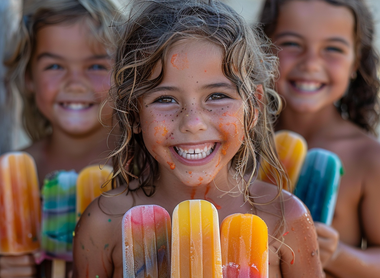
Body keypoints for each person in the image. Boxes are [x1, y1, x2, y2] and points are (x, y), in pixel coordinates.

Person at [73, 0, 324, 277]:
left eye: (217, 96)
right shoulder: (104, 223)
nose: (193, 123)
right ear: (133, 114)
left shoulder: (284, 218)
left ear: (253, 107)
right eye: (165, 99)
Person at [259, 0, 380, 277]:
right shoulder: (238, 145)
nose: (311, 63)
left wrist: (336, 255)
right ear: (262, 49)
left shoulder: (368, 158)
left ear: (356, 62)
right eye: (291, 43)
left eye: (333, 49)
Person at [1, 0, 122, 277]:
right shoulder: (9, 175)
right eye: (55, 66)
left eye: (96, 66)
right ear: (29, 77)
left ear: (124, 75)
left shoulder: (150, 170)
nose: (75, 82)